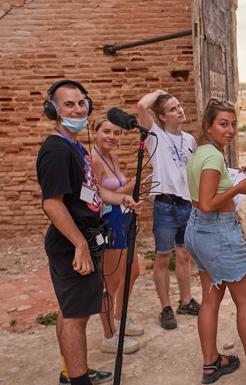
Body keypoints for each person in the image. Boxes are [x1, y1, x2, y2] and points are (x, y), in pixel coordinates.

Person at [37, 79, 139, 385]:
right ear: (52, 109)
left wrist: (122, 198)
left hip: (83, 239)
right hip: (71, 243)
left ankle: (71, 371)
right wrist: (80, 244)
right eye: (68, 104)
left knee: (70, 310)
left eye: (81, 102)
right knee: (76, 317)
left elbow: (91, 193)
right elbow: (52, 205)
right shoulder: (55, 150)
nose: (77, 109)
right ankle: (79, 380)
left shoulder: (76, 146)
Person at [185, 98, 246, 384]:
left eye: (234, 124)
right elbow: (210, 203)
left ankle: (211, 364)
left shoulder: (201, 153)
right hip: (218, 232)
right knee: (245, 300)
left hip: (197, 231)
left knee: (210, 300)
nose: (230, 130)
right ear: (208, 126)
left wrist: (234, 176)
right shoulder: (213, 158)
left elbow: (204, 193)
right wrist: (240, 187)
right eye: (223, 124)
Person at [137, 90, 199, 330]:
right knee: (163, 256)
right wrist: (160, 93)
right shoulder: (156, 135)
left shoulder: (190, 140)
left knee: (184, 255)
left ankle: (185, 301)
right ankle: (165, 307)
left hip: (185, 204)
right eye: (173, 109)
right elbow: (142, 106)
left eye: (179, 105)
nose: (180, 110)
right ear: (162, 117)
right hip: (164, 203)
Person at [91, 112, 143, 354]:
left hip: (123, 216)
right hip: (109, 220)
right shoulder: (94, 160)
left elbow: (116, 189)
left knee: (133, 271)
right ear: (95, 131)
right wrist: (128, 189)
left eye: (117, 132)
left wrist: (128, 193)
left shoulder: (111, 157)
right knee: (110, 280)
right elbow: (98, 195)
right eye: (107, 131)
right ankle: (109, 335)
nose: (112, 136)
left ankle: (120, 317)